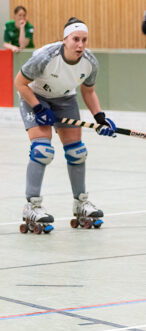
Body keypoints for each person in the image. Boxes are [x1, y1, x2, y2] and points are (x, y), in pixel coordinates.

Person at [14, 17, 116, 234]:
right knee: (42, 150)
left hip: (65, 99)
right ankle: (32, 206)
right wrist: (38, 108)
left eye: (84, 40)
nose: (80, 45)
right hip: (34, 96)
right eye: (75, 39)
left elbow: (88, 91)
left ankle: (81, 203)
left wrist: (100, 117)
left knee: (77, 152)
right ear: (65, 39)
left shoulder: (90, 62)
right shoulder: (45, 57)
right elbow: (19, 83)